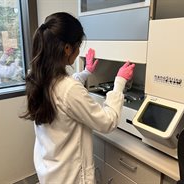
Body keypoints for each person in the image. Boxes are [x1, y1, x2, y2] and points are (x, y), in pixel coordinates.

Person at [20, 12, 135, 184]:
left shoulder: (36, 77)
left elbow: (62, 90)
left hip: (50, 169)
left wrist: (86, 72)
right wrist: (119, 83)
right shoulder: (68, 89)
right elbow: (107, 122)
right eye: (78, 44)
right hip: (71, 177)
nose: (79, 49)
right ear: (67, 48)